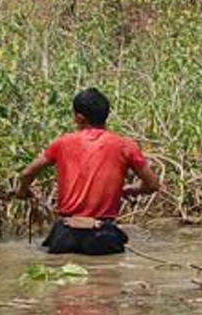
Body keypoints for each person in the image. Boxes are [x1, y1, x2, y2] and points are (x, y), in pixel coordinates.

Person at [16, 88, 160, 255]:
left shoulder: (61, 143)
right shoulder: (125, 146)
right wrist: (130, 189)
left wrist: (22, 192)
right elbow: (153, 184)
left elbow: (27, 173)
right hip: (103, 236)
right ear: (106, 114)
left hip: (65, 235)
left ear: (79, 118)